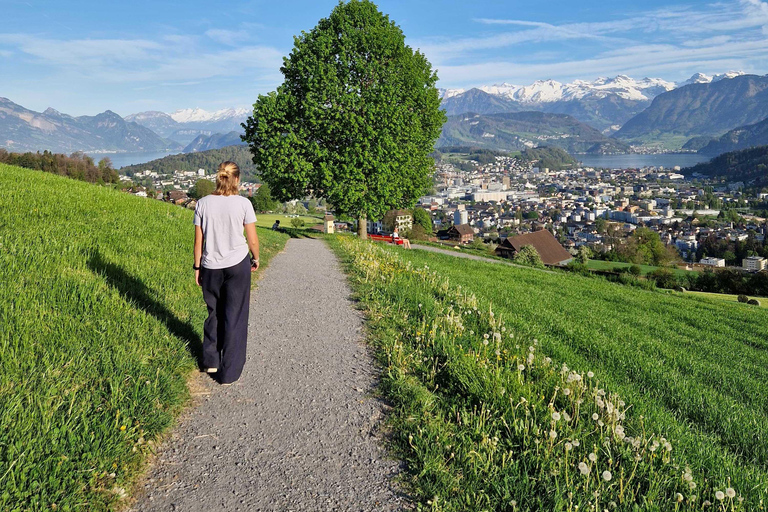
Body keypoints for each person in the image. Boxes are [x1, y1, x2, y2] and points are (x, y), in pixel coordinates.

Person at [193, 161, 259, 385]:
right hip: (237, 265)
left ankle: (210, 360)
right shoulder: (244, 204)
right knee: (235, 316)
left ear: (218, 178)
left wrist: (197, 266)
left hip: (211, 266)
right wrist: (256, 258)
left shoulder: (202, 203)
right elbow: (252, 239)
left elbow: (198, 240)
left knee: (214, 312)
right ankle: (229, 372)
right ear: (237, 180)